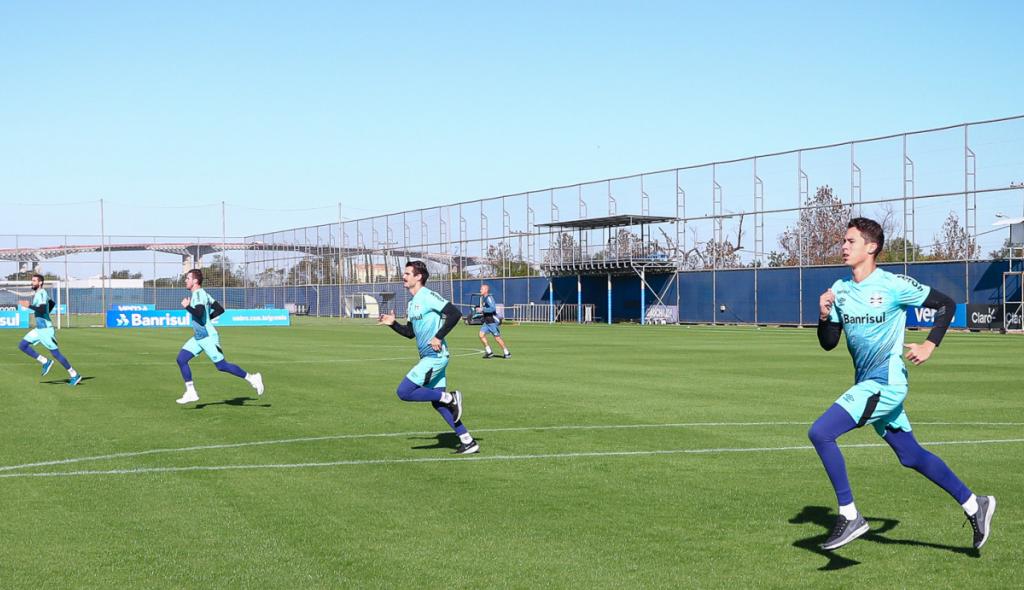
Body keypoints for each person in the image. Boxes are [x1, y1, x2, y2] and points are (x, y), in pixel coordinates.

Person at [810, 217, 995, 551]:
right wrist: (824, 315)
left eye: (851, 241)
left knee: (821, 432)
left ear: (872, 247)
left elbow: (946, 305)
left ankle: (850, 515)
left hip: (887, 381)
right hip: (867, 381)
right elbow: (828, 343)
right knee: (910, 455)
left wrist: (929, 344)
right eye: (844, 241)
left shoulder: (893, 285)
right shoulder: (839, 289)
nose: (843, 246)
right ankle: (975, 504)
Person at [379, 260, 479, 454]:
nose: (404, 276)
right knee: (438, 403)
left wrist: (438, 336)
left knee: (404, 392)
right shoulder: (412, 303)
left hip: (435, 357)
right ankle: (468, 440)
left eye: (408, 273)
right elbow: (409, 333)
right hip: (429, 356)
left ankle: (450, 397)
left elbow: (454, 313)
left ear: (419, 277)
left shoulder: (428, 296)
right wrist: (392, 323)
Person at [175, 268, 263, 404]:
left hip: (208, 337)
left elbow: (198, 313)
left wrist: (187, 306)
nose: (185, 281)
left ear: (195, 281)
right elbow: (220, 309)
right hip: (199, 337)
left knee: (221, 366)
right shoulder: (203, 294)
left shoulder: (198, 294)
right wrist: (208, 319)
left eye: (188, 278)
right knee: (181, 359)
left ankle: (252, 378)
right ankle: (191, 392)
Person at [16, 273, 81, 386]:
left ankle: (74, 374)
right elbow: (51, 303)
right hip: (39, 329)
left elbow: (41, 309)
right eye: (32, 281)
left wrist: (29, 306)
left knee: (56, 353)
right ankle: (45, 361)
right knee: (22, 345)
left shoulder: (42, 293)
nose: (32, 282)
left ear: (40, 282)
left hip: (46, 330)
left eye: (34, 281)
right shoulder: (39, 294)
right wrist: (45, 313)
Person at [477, 283, 510, 359]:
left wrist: (483, 309)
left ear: (486, 290)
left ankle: (507, 353)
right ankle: (489, 352)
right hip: (487, 321)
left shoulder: (489, 298)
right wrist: (481, 311)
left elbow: (493, 309)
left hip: (492, 321)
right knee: (481, 335)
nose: (480, 290)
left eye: (481, 289)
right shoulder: (483, 298)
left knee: (497, 338)